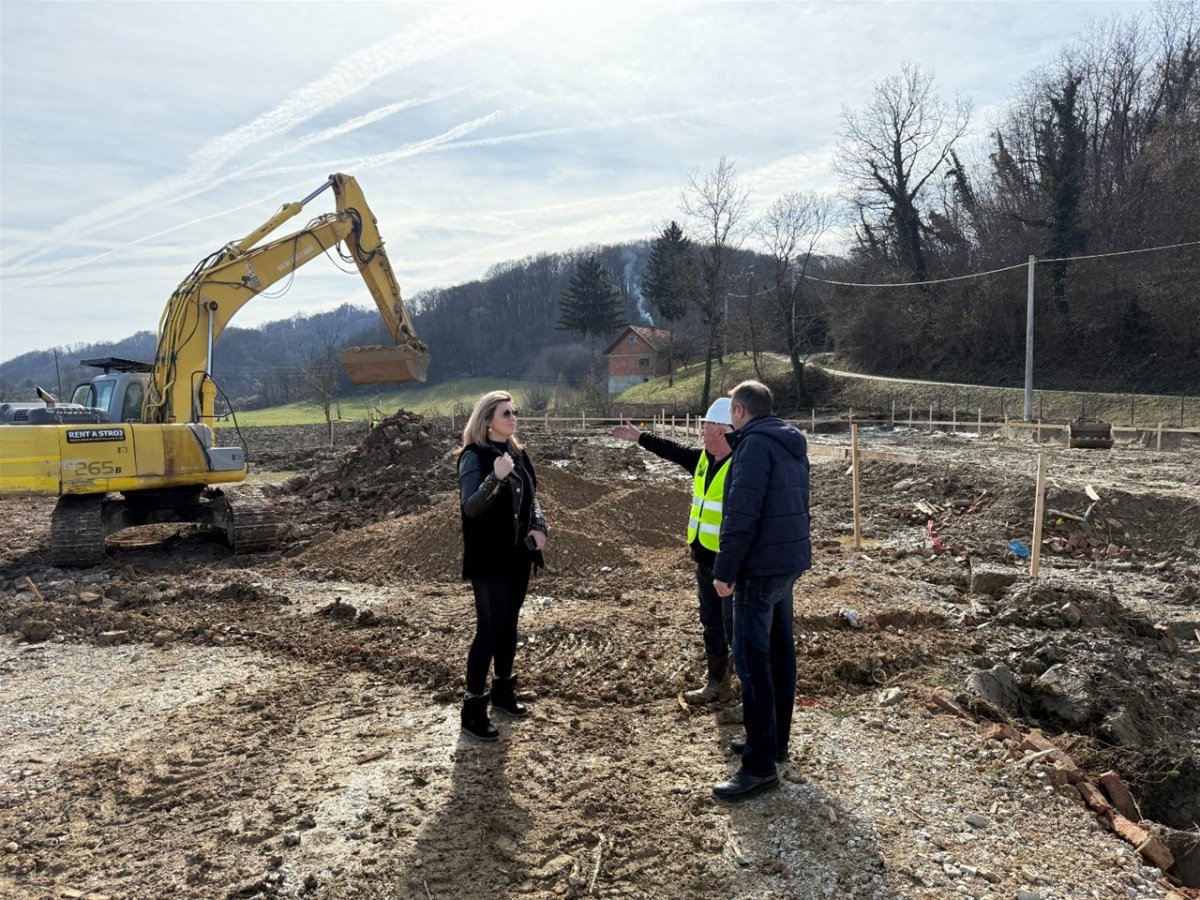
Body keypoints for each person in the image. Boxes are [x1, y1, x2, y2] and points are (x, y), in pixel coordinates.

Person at [711, 381, 811, 801]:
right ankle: (774, 742)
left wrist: (724, 570)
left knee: (753, 666)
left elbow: (742, 514)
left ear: (738, 410)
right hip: (786, 565)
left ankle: (758, 767)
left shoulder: (752, 447)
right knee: (779, 654)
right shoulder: (789, 444)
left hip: (758, 569)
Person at [610, 399, 737, 705]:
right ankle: (716, 681)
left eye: (705, 427)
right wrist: (639, 437)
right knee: (711, 623)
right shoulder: (704, 459)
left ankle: (746, 689)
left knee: (738, 629)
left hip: (731, 564)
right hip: (705, 558)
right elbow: (672, 450)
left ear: (720, 431)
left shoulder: (741, 466)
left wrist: (731, 567)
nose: (701, 432)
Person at [457, 391, 547, 741]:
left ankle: (504, 692)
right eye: (505, 413)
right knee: (489, 631)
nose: (513, 418)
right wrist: (494, 477)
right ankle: (473, 708)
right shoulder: (473, 456)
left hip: (517, 556)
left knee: (509, 626)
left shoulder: (518, 452)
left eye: (514, 412)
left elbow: (533, 498)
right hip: (488, 558)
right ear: (487, 420)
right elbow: (471, 507)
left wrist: (539, 526)